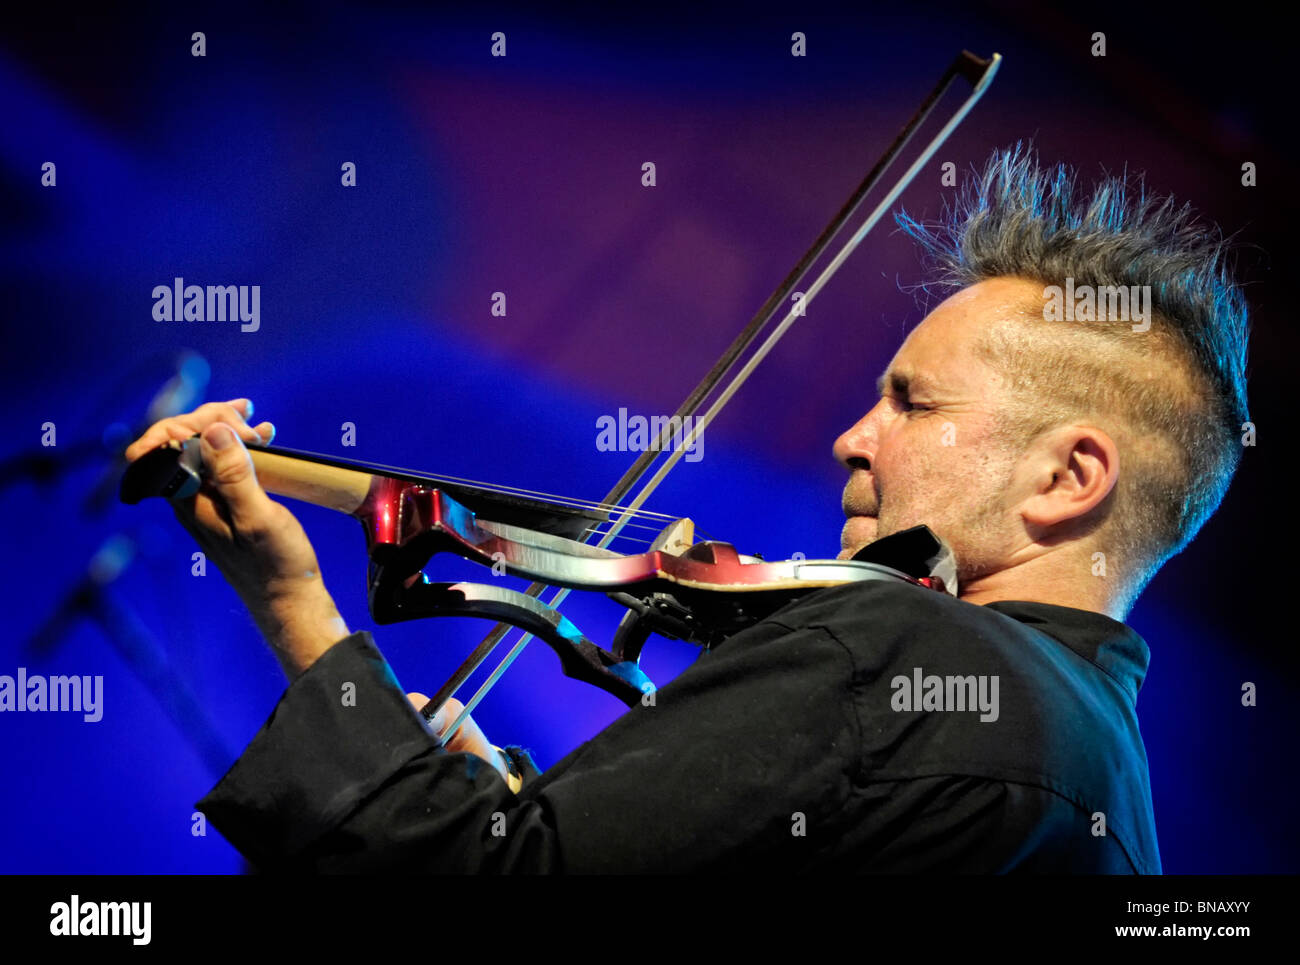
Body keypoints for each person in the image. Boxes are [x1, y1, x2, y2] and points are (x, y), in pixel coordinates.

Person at [124, 146, 1249, 872]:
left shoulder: (896, 647)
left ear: (1069, 477)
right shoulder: (1106, 785)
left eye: (910, 400)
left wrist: (292, 605)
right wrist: (499, 789)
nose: (852, 437)